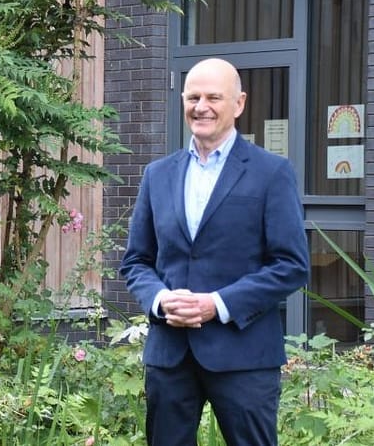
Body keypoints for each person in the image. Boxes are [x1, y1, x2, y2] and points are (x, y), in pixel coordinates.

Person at [120, 58, 310, 445]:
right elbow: (137, 260)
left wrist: (216, 304)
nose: (201, 106)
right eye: (193, 97)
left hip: (244, 356)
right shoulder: (158, 174)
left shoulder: (271, 172)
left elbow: (291, 265)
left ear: (238, 104)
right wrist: (159, 300)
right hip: (170, 355)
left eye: (213, 97)